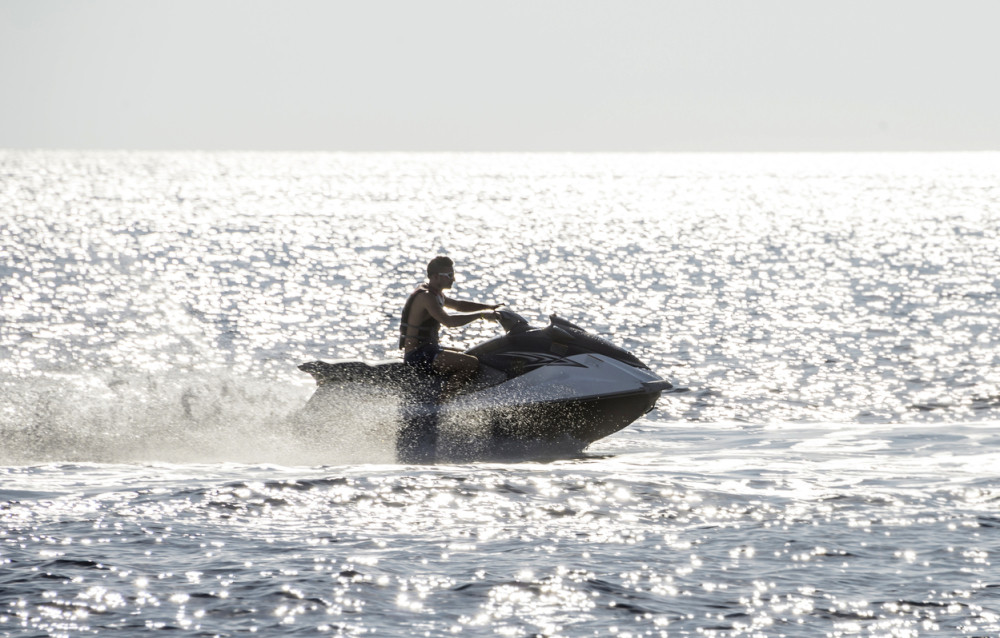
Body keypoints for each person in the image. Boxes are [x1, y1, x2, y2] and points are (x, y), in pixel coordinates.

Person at [399, 256, 502, 399]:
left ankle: (463, 395)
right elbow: (449, 321)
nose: (453, 279)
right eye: (449, 275)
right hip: (418, 355)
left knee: (474, 353)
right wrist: (481, 316)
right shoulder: (427, 297)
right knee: (470, 363)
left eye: (453, 275)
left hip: (429, 350)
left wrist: (489, 307)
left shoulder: (436, 293)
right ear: (435, 277)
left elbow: (459, 305)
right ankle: (444, 403)